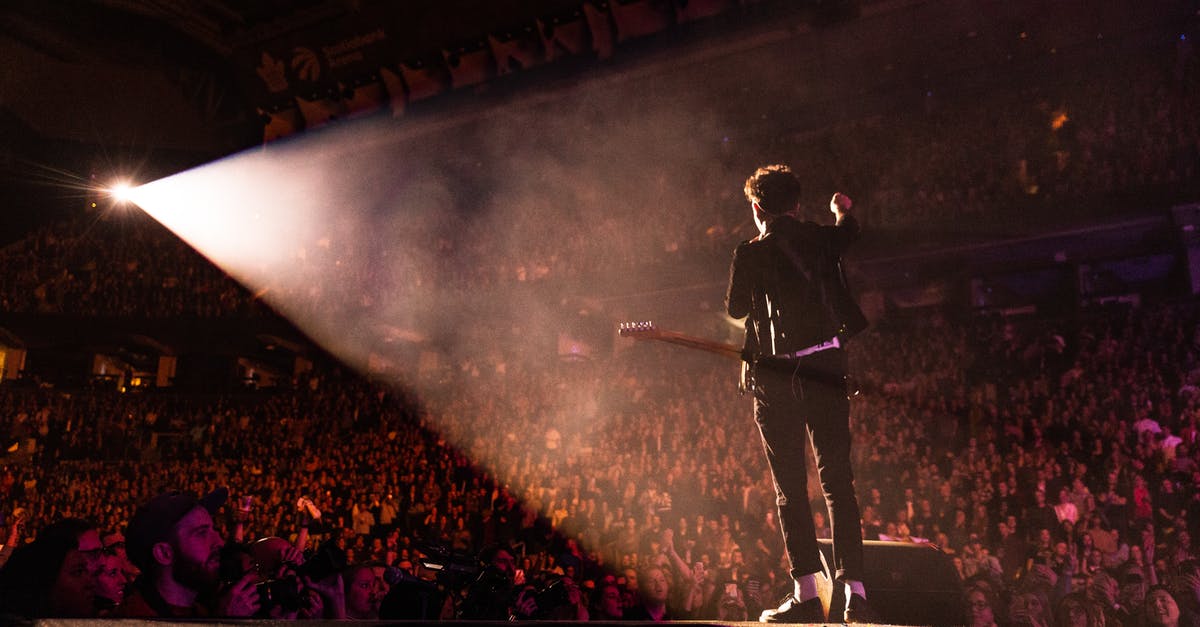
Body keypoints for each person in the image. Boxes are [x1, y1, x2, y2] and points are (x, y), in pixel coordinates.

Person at [725, 164, 871, 623]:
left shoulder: (749, 252)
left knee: (790, 487)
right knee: (837, 482)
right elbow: (848, 230)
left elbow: (736, 310)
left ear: (756, 207)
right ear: (795, 204)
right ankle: (855, 594)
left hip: (777, 376)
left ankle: (808, 592)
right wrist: (841, 210)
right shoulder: (821, 237)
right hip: (826, 366)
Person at [118, 488, 260, 618]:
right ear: (163, 553)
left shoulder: (200, 611)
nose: (220, 542)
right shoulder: (133, 617)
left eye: (213, 530)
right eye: (202, 533)